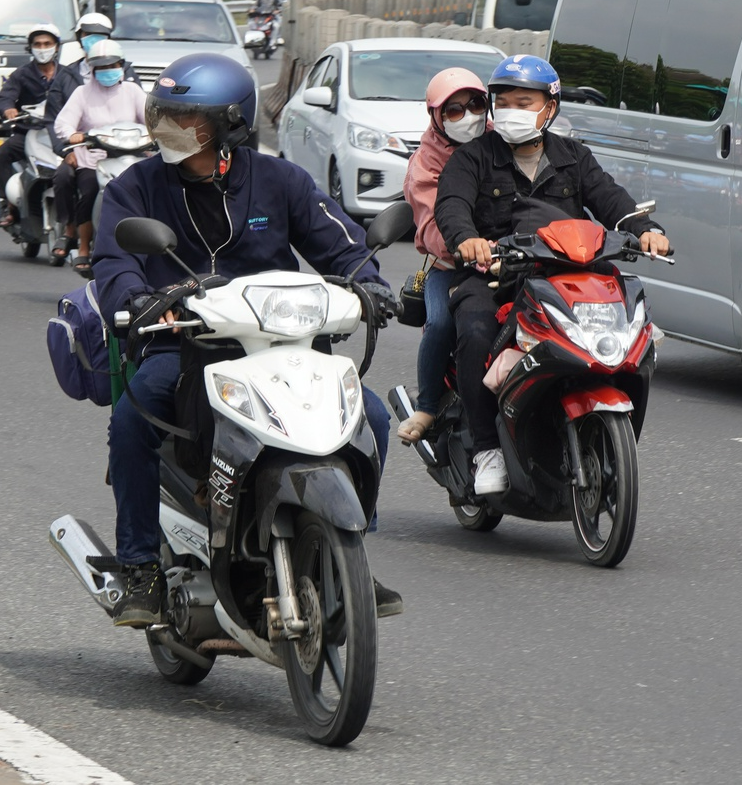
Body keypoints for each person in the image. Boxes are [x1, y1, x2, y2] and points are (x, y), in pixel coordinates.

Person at [91, 52, 399, 626]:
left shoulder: (283, 180)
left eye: (188, 121)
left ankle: (350, 550)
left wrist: (372, 286)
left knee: (372, 419)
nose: (169, 132)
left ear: (232, 126)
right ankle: (139, 567)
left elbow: (344, 247)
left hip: (282, 343)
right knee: (133, 419)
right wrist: (134, 302)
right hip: (182, 341)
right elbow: (115, 261)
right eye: (163, 116)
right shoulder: (135, 187)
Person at [433, 56, 669, 495]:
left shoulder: (574, 157)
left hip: (567, 277)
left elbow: (612, 200)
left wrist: (646, 230)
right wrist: (468, 239)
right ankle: (487, 450)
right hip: (496, 276)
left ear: (550, 107)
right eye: (503, 101)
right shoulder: (472, 159)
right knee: (477, 329)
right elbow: (451, 206)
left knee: (627, 314)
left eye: (524, 101)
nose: (511, 110)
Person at [396, 66, 489, 445]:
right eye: (454, 110)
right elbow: (434, 226)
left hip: (513, 262)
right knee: (440, 324)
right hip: (451, 266)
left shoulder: (506, 143)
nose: (467, 117)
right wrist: (467, 245)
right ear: (436, 116)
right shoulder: (426, 163)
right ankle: (428, 404)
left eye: (476, 105)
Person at [51, 39, 147, 274]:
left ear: (122, 65)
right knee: (89, 189)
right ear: (92, 69)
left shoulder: (133, 91)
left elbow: (152, 119)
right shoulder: (82, 93)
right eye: (100, 67)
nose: (107, 71)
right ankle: (83, 247)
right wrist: (73, 135)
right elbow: (63, 123)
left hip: (132, 156)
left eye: (111, 65)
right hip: (94, 158)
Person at [0, 24, 64, 226]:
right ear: (31, 48)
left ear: (56, 47)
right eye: (38, 44)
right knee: (2, 154)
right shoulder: (20, 74)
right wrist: (8, 109)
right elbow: (5, 97)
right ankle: (4, 204)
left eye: (47, 44)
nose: (42, 48)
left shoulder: (68, 75)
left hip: (59, 134)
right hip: (28, 133)